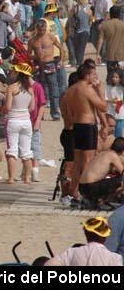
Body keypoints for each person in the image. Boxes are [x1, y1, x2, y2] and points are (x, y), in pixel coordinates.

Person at [64, 61, 114, 200]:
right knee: (88, 161)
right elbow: (103, 107)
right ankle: (86, 192)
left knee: (77, 162)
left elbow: (69, 113)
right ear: (86, 75)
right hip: (87, 126)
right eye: (93, 74)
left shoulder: (70, 90)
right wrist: (99, 89)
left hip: (77, 126)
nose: (95, 77)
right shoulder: (87, 88)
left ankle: (73, 191)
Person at [4, 63, 36, 184]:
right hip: (26, 120)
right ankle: (27, 178)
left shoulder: (11, 87)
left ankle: (11, 178)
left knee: (12, 150)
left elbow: (7, 107)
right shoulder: (30, 89)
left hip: (13, 119)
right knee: (26, 151)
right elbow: (32, 107)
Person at [45, 217, 122, 266]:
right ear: (105, 236)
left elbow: (49, 264)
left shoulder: (72, 253)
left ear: (86, 234)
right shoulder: (114, 258)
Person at [78, 137, 124, 207]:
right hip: (91, 187)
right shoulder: (113, 156)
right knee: (121, 180)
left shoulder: (103, 153)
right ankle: (103, 202)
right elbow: (122, 173)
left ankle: (92, 201)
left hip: (82, 187)